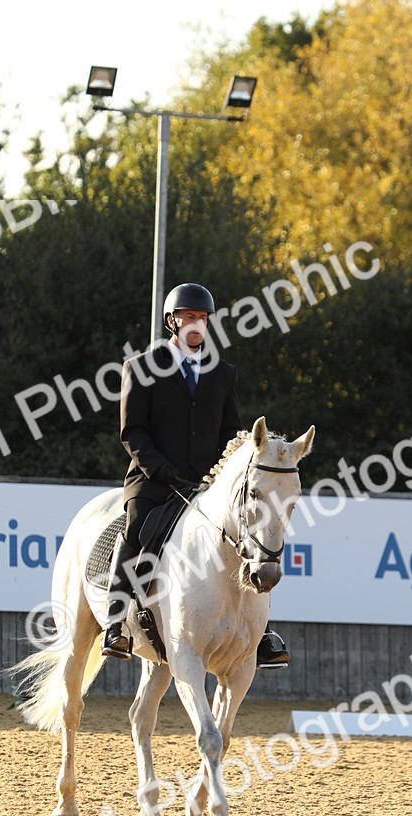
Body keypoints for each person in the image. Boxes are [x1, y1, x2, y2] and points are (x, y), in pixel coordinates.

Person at [100, 281, 290, 669]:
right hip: (153, 480)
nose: (195, 325)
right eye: (188, 317)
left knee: (247, 534)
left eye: (201, 319)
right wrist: (161, 469)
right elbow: (132, 431)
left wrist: (218, 476)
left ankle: (260, 631)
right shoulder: (139, 368)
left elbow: (232, 435)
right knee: (136, 525)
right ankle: (115, 621)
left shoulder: (223, 374)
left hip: (206, 484)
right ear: (171, 321)